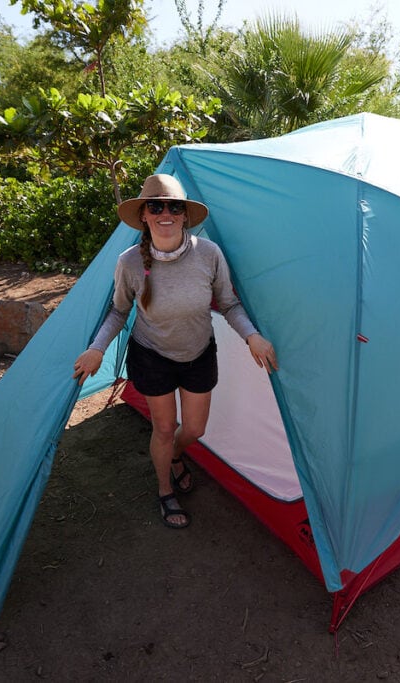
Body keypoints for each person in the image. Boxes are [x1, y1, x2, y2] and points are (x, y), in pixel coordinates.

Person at [73, 174, 278, 530]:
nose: (164, 213)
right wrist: (97, 349)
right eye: (155, 206)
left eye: (174, 206)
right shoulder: (129, 263)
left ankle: (175, 457)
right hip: (152, 355)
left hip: (198, 352)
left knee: (194, 429)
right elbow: (119, 311)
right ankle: (165, 488)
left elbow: (228, 304)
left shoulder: (209, 254)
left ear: (185, 215)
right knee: (165, 429)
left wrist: (252, 336)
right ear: (144, 216)